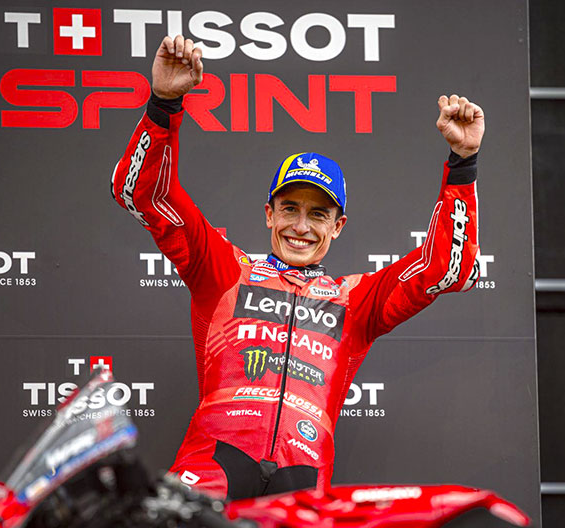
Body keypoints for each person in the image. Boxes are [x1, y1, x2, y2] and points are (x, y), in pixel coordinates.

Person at [111, 35, 484, 499]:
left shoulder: (356, 300)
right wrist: (164, 104)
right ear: (269, 214)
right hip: (213, 464)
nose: (301, 227)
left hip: (302, 479)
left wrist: (462, 164)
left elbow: (447, 267)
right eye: (289, 209)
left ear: (338, 226)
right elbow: (144, 194)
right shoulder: (225, 271)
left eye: (318, 214)